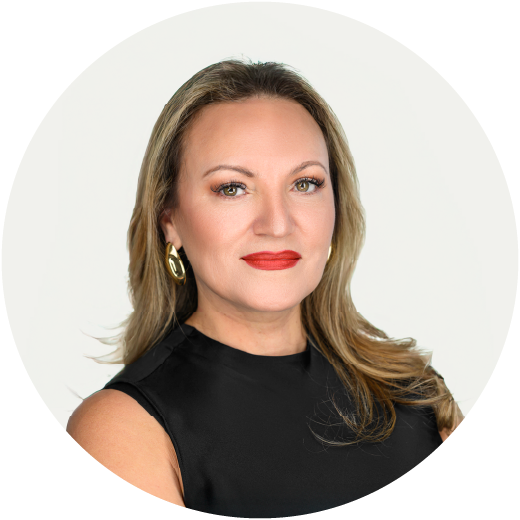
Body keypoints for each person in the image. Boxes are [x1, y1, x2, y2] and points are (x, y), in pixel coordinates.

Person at [66, 58, 464, 517]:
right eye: (232, 188)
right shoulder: (122, 428)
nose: (277, 224)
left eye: (305, 183)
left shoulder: (416, 393)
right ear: (169, 219)